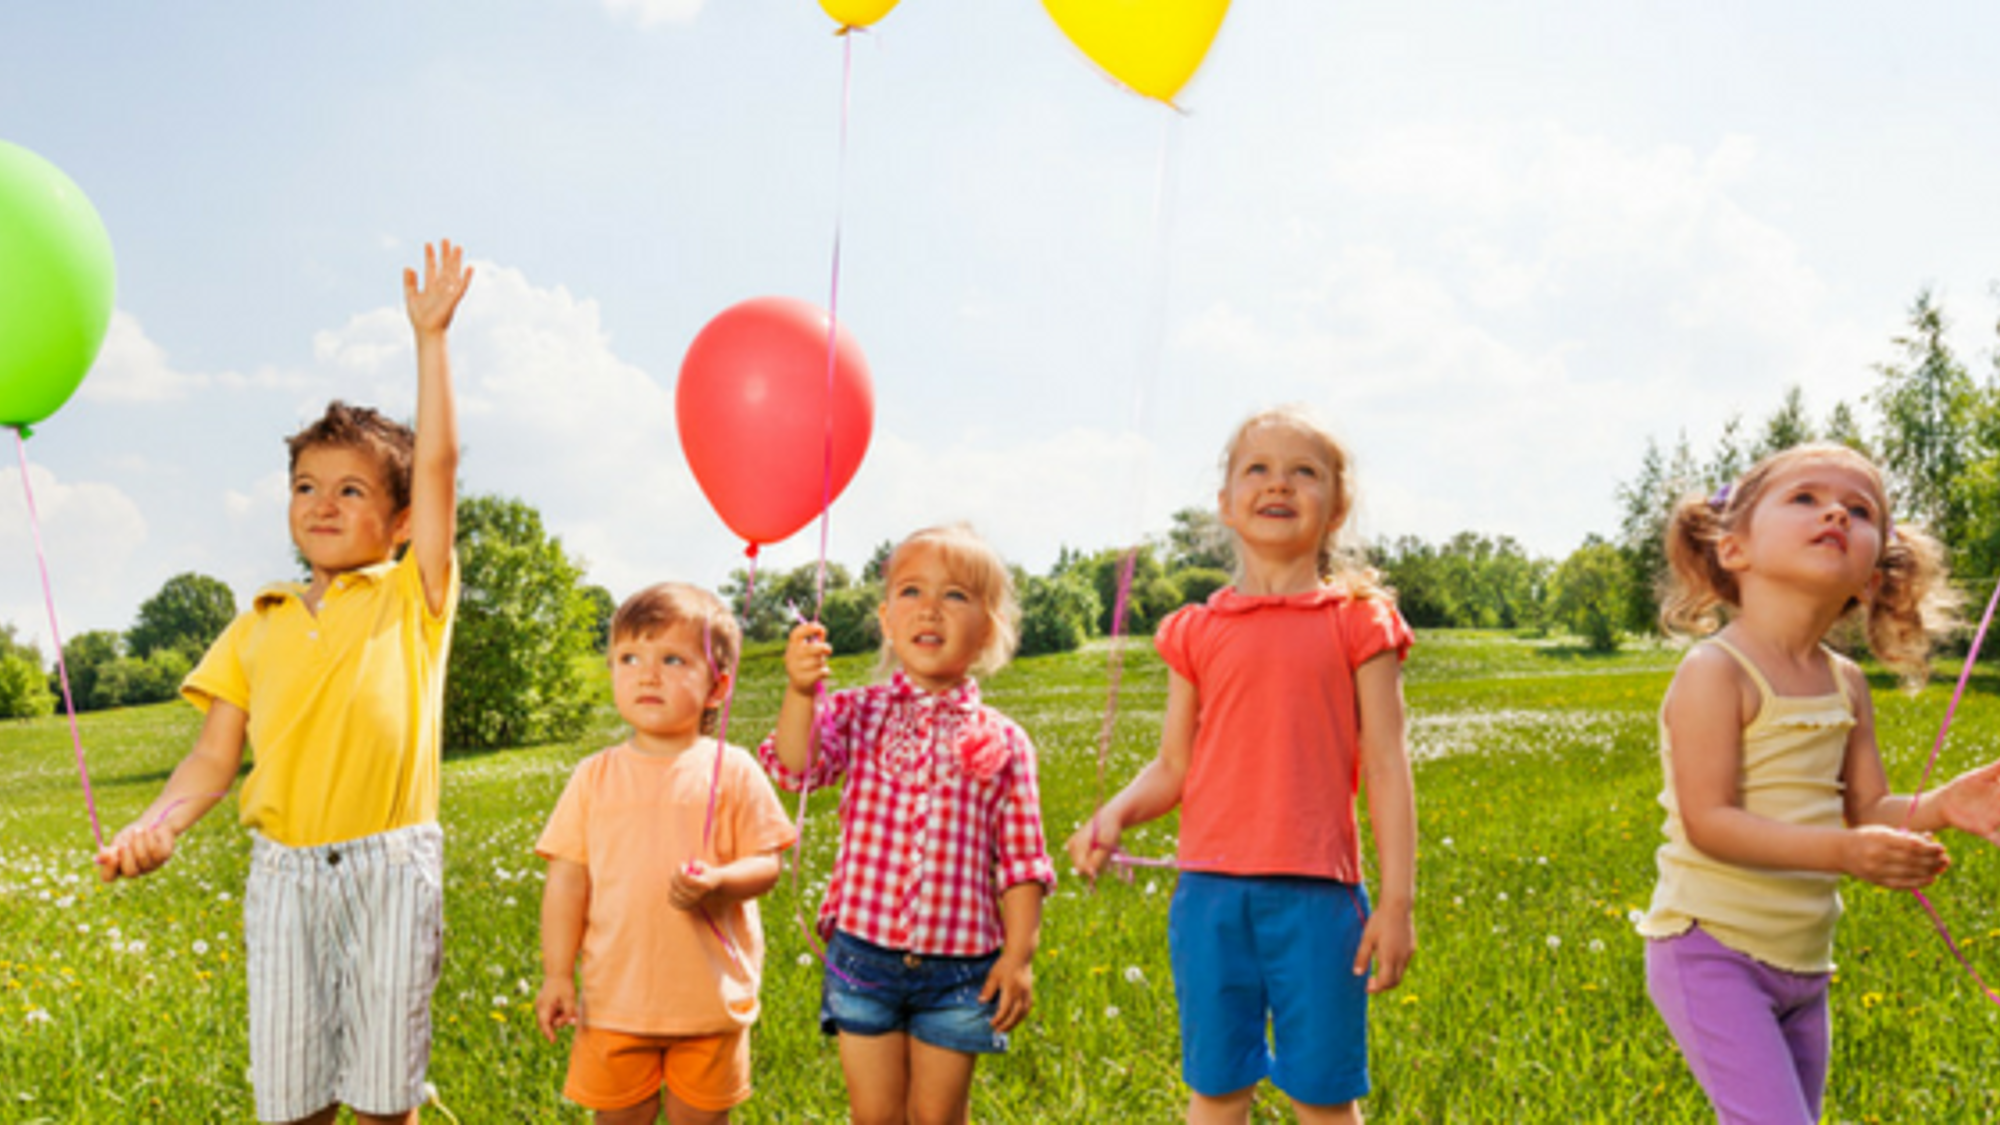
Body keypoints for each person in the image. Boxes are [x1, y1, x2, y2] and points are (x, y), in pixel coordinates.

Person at [94, 241, 473, 1125]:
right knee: (292, 1099)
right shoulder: (256, 621)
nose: (324, 503)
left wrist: (432, 341)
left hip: (390, 869)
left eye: (351, 489)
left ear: (403, 521)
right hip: (285, 879)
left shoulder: (413, 596)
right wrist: (154, 827)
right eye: (307, 485)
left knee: (385, 1099)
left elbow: (443, 467)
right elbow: (210, 760)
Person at [1068, 404, 1417, 1125]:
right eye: (1256, 468)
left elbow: (1385, 765)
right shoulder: (1197, 631)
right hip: (1210, 899)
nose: (1278, 483)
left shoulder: (1358, 619)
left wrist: (1397, 901)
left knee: (1324, 1094)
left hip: (1319, 900)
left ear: (1336, 506)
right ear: (1225, 503)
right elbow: (1173, 765)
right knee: (1217, 1089)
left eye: (1304, 471)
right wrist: (1114, 814)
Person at [1635, 441, 2000, 1123]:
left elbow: (1869, 807)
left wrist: (1943, 804)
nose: (1835, 510)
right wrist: (1846, 852)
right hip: (1712, 950)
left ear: (1872, 577)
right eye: (1805, 497)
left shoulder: (1846, 682)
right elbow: (1710, 821)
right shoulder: (1717, 671)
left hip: (1804, 964)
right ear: (1734, 547)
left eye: (1861, 510)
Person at [764, 524, 1056, 1125]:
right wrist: (800, 691)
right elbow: (797, 766)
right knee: (874, 1116)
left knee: (939, 1116)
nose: (929, 608)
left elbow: (1024, 864)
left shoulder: (1005, 740)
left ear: (989, 628)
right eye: (910, 592)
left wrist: (1019, 956)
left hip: (961, 968)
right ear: (886, 620)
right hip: (863, 956)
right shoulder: (856, 711)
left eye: (955, 596)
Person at [535, 583, 796, 1125]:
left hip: (708, 1001)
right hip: (614, 1001)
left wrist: (721, 882)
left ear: (717, 686)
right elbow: (566, 881)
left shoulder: (734, 768)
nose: (647, 674)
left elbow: (768, 864)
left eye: (672, 659)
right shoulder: (594, 776)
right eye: (628, 658)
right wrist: (558, 974)